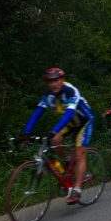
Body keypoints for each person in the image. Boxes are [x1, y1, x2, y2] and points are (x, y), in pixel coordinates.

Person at [21, 67, 95, 204]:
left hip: (85, 121)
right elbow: (37, 113)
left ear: (62, 80)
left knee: (79, 154)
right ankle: (68, 161)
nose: (53, 84)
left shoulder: (70, 91)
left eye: (56, 80)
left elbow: (67, 114)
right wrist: (26, 132)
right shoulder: (48, 96)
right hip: (72, 122)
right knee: (55, 142)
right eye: (50, 81)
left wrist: (55, 130)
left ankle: (77, 190)